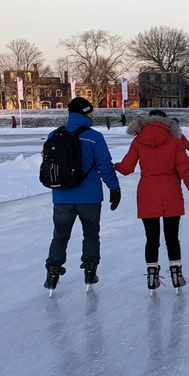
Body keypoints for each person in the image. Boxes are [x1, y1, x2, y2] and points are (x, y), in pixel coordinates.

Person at [115, 110, 189, 290]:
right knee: (172, 237)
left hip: (147, 192)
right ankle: (177, 275)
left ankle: (152, 276)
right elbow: (185, 170)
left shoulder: (138, 140)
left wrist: (113, 166)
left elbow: (127, 168)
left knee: (151, 238)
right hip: (171, 191)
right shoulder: (175, 140)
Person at [43, 98, 121, 291]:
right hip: (90, 197)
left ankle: (53, 271)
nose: (93, 115)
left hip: (61, 197)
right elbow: (104, 166)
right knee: (91, 235)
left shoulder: (54, 134)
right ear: (85, 113)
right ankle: (90, 270)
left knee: (60, 236)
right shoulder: (94, 137)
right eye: (91, 112)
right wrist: (114, 188)